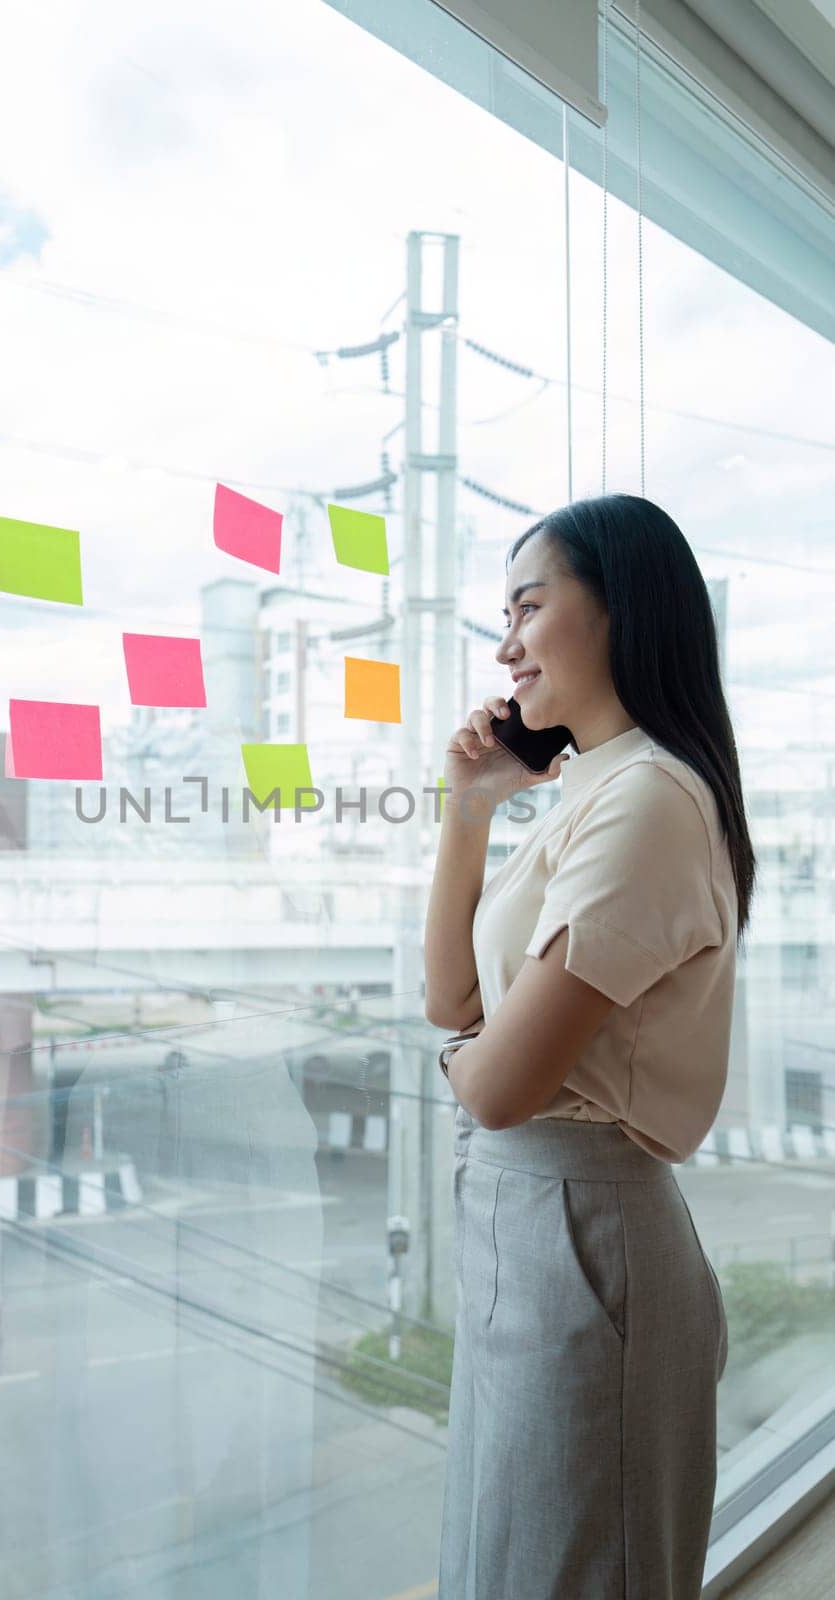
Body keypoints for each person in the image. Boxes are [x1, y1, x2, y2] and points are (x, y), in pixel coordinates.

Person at [426, 494, 755, 1600]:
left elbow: (500, 1083)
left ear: (618, 610)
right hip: (532, 1228)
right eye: (501, 613)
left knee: (569, 1572)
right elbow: (450, 1000)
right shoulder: (588, 790)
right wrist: (465, 810)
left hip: (581, 1232)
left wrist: (465, 1064)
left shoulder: (649, 800)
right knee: (508, 1563)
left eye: (529, 604)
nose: (505, 641)